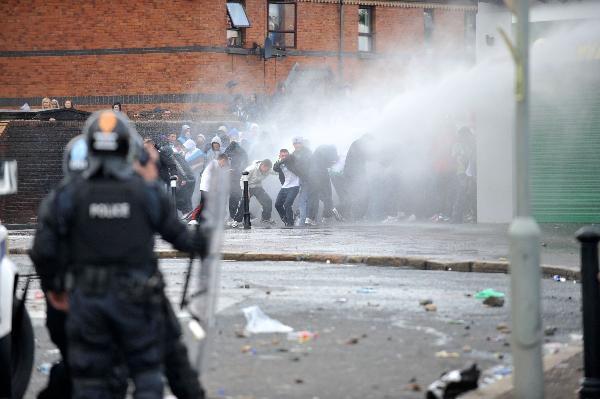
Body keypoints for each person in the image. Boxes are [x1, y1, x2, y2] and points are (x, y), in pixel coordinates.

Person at [29, 110, 209, 399]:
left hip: (87, 302)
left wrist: (56, 288)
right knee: (147, 376)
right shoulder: (147, 192)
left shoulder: (67, 195)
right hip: (138, 301)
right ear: (128, 148)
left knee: (92, 382)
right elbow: (182, 238)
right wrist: (205, 238)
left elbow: (43, 250)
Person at [231, 159, 275, 227]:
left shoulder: (268, 169)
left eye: (268, 169)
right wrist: (246, 191)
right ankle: (237, 221)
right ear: (262, 165)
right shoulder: (251, 169)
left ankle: (266, 218)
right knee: (244, 202)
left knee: (268, 201)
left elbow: (276, 172)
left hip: (258, 187)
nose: (267, 171)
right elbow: (242, 180)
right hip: (248, 187)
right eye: (266, 169)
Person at [306, 145, 338, 225]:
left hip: (312, 174)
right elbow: (331, 162)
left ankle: (310, 219)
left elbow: (309, 162)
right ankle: (327, 216)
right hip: (322, 173)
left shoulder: (317, 150)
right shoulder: (332, 149)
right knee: (327, 194)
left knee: (313, 196)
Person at [273, 148, 300, 227]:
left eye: (285, 155)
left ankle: (290, 223)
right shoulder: (280, 163)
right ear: (279, 156)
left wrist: (283, 160)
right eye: (282, 156)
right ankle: (285, 219)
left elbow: (292, 158)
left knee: (287, 204)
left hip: (295, 185)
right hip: (285, 186)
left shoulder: (292, 160)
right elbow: (275, 168)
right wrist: (280, 162)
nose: (284, 157)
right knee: (277, 204)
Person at [288, 137, 312, 225]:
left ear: (302, 144)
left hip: (307, 179)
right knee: (302, 200)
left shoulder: (308, 152)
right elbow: (290, 167)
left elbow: (310, 165)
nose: (297, 145)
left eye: (299, 143)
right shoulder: (293, 154)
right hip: (298, 180)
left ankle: (303, 222)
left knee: (304, 200)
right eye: (295, 143)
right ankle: (303, 219)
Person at [223, 140, 248, 222]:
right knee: (232, 196)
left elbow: (244, 164)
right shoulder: (240, 151)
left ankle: (234, 216)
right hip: (230, 178)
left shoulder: (239, 152)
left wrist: (235, 170)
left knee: (235, 196)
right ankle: (231, 216)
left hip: (236, 177)